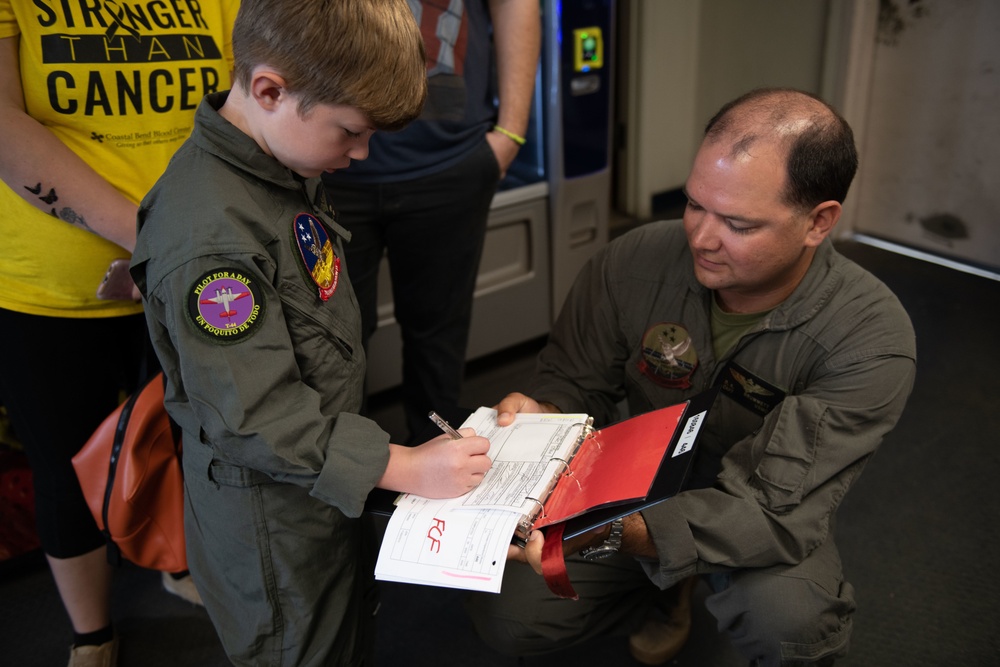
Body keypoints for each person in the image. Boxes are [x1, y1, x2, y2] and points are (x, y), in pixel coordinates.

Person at [465, 88, 918, 667]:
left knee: (789, 626)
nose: (700, 238)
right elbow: (573, 381)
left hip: (762, 505)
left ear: (818, 221)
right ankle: (664, 593)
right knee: (507, 611)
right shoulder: (631, 261)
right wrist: (543, 413)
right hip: (632, 479)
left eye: (737, 223)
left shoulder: (868, 340)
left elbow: (772, 512)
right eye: (694, 203)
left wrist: (621, 533)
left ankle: (678, 572)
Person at [129, 1, 493, 665]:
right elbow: (257, 415)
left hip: (315, 482)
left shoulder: (278, 162)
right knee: (304, 648)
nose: (359, 155)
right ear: (270, 90)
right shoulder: (211, 237)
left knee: (345, 628)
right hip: (272, 516)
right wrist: (403, 465)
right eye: (350, 132)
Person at [0, 2, 239, 665]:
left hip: (190, 264)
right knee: (64, 467)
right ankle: (92, 632)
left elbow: (244, 103)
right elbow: (3, 121)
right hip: (50, 288)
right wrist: (150, 241)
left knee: (195, 440)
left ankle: (178, 561)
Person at [322, 0, 541, 443]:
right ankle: (347, 481)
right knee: (331, 340)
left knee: (438, 336)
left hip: (451, 160)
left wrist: (510, 135)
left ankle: (439, 469)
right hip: (325, 165)